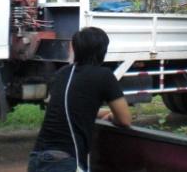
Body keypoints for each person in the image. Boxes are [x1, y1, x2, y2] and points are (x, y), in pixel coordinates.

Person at [28, 27, 131, 172]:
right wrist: (112, 116)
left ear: (76, 49)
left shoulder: (62, 73)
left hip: (37, 159)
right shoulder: (104, 76)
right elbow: (125, 119)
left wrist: (102, 113)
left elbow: (70, 108)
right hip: (64, 162)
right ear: (102, 51)